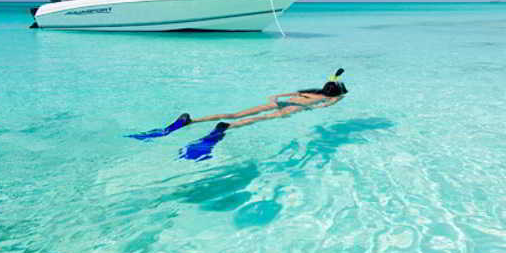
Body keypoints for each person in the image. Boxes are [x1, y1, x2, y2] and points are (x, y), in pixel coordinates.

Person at [127, 69, 348, 161]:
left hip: (283, 101)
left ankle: (190, 121)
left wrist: (275, 100)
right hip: (290, 108)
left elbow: (278, 95)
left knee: (234, 113)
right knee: (257, 120)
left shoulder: (309, 91)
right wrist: (335, 93)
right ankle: (225, 128)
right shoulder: (328, 98)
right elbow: (337, 97)